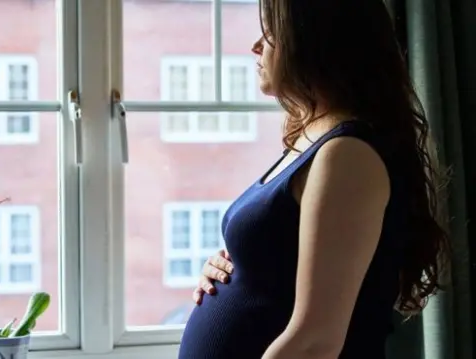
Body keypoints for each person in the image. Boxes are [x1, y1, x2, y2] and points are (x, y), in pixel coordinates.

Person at [177, 0, 450, 358]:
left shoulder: (348, 155)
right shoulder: (315, 138)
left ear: (311, 41)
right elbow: (280, 269)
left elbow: (315, 341)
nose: (256, 46)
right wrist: (233, 271)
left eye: (271, 33)